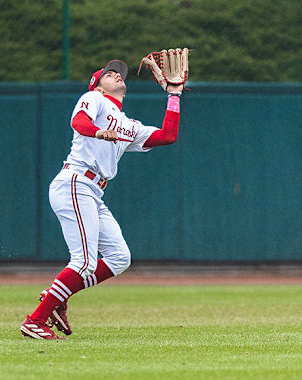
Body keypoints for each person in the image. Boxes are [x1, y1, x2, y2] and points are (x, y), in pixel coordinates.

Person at [20, 59, 184, 339]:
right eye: (110, 74)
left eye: (120, 74)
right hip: (75, 182)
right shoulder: (93, 98)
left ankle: (58, 295)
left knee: (120, 258)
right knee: (83, 261)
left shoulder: (129, 125)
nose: (118, 76)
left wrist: (174, 94)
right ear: (97, 83)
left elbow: (167, 136)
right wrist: (97, 131)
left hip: (94, 191)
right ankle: (35, 320)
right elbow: (78, 121)